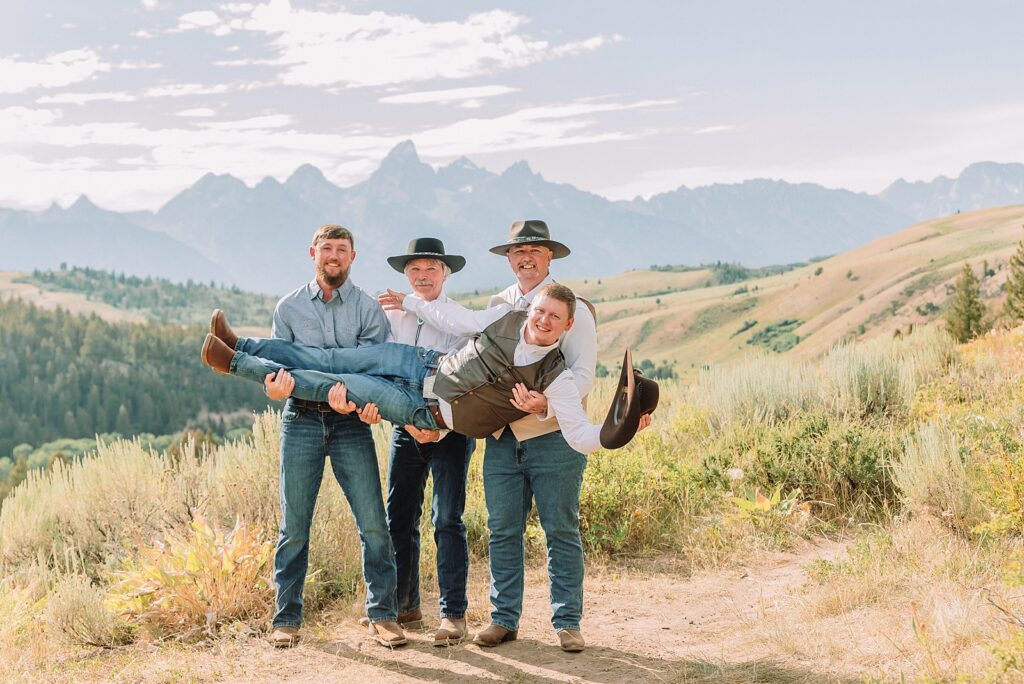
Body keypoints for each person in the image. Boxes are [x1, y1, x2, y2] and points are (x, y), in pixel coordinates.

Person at [201, 283, 652, 457]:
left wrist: (624, 426)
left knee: (336, 383)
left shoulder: (558, 380)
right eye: (540, 310)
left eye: (555, 317)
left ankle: (235, 363)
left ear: (568, 325)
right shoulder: (507, 316)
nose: (543, 320)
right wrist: (413, 302)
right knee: (334, 357)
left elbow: (580, 436)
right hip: (420, 363)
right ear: (530, 308)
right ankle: (243, 342)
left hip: (425, 410)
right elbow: (461, 322)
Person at [232, 224, 405, 648]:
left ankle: (382, 614)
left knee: (373, 524)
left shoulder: (367, 308)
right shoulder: (289, 307)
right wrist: (274, 388)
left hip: (350, 425)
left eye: (341, 250)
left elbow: (373, 372)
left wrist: (365, 407)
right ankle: (286, 618)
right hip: (302, 419)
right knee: (294, 526)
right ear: (313, 253)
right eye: (326, 248)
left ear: (352, 256)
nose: (334, 256)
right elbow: (281, 370)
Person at [476, 220, 598, 652]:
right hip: (502, 438)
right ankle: (503, 619)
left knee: (560, 529)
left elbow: (583, 375)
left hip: (554, 439)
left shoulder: (573, 308)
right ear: (509, 259)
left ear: (549, 257)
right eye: (517, 251)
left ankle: (567, 622)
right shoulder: (498, 304)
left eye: (534, 250)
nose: (525, 257)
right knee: (502, 530)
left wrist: (546, 405)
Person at [376, 238, 475, 646]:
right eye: (415, 270)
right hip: (405, 429)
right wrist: (407, 421)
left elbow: (470, 379)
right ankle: (405, 605)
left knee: (446, 520)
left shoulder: (457, 317)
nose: (422, 277)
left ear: (445, 273)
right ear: (406, 275)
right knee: (398, 517)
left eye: (430, 269)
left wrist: (440, 426)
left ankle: (454, 614)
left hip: (452, 430)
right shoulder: (390, 317)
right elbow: (383, 371)